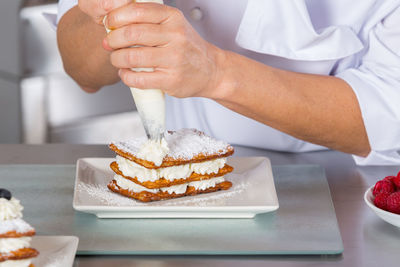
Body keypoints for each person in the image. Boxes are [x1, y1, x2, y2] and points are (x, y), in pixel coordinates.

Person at [56, 0, 400, 165]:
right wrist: (111, 13)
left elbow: (385, 116)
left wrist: (216, 73)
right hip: (183, 178)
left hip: (345, 183)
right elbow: (83, 71)